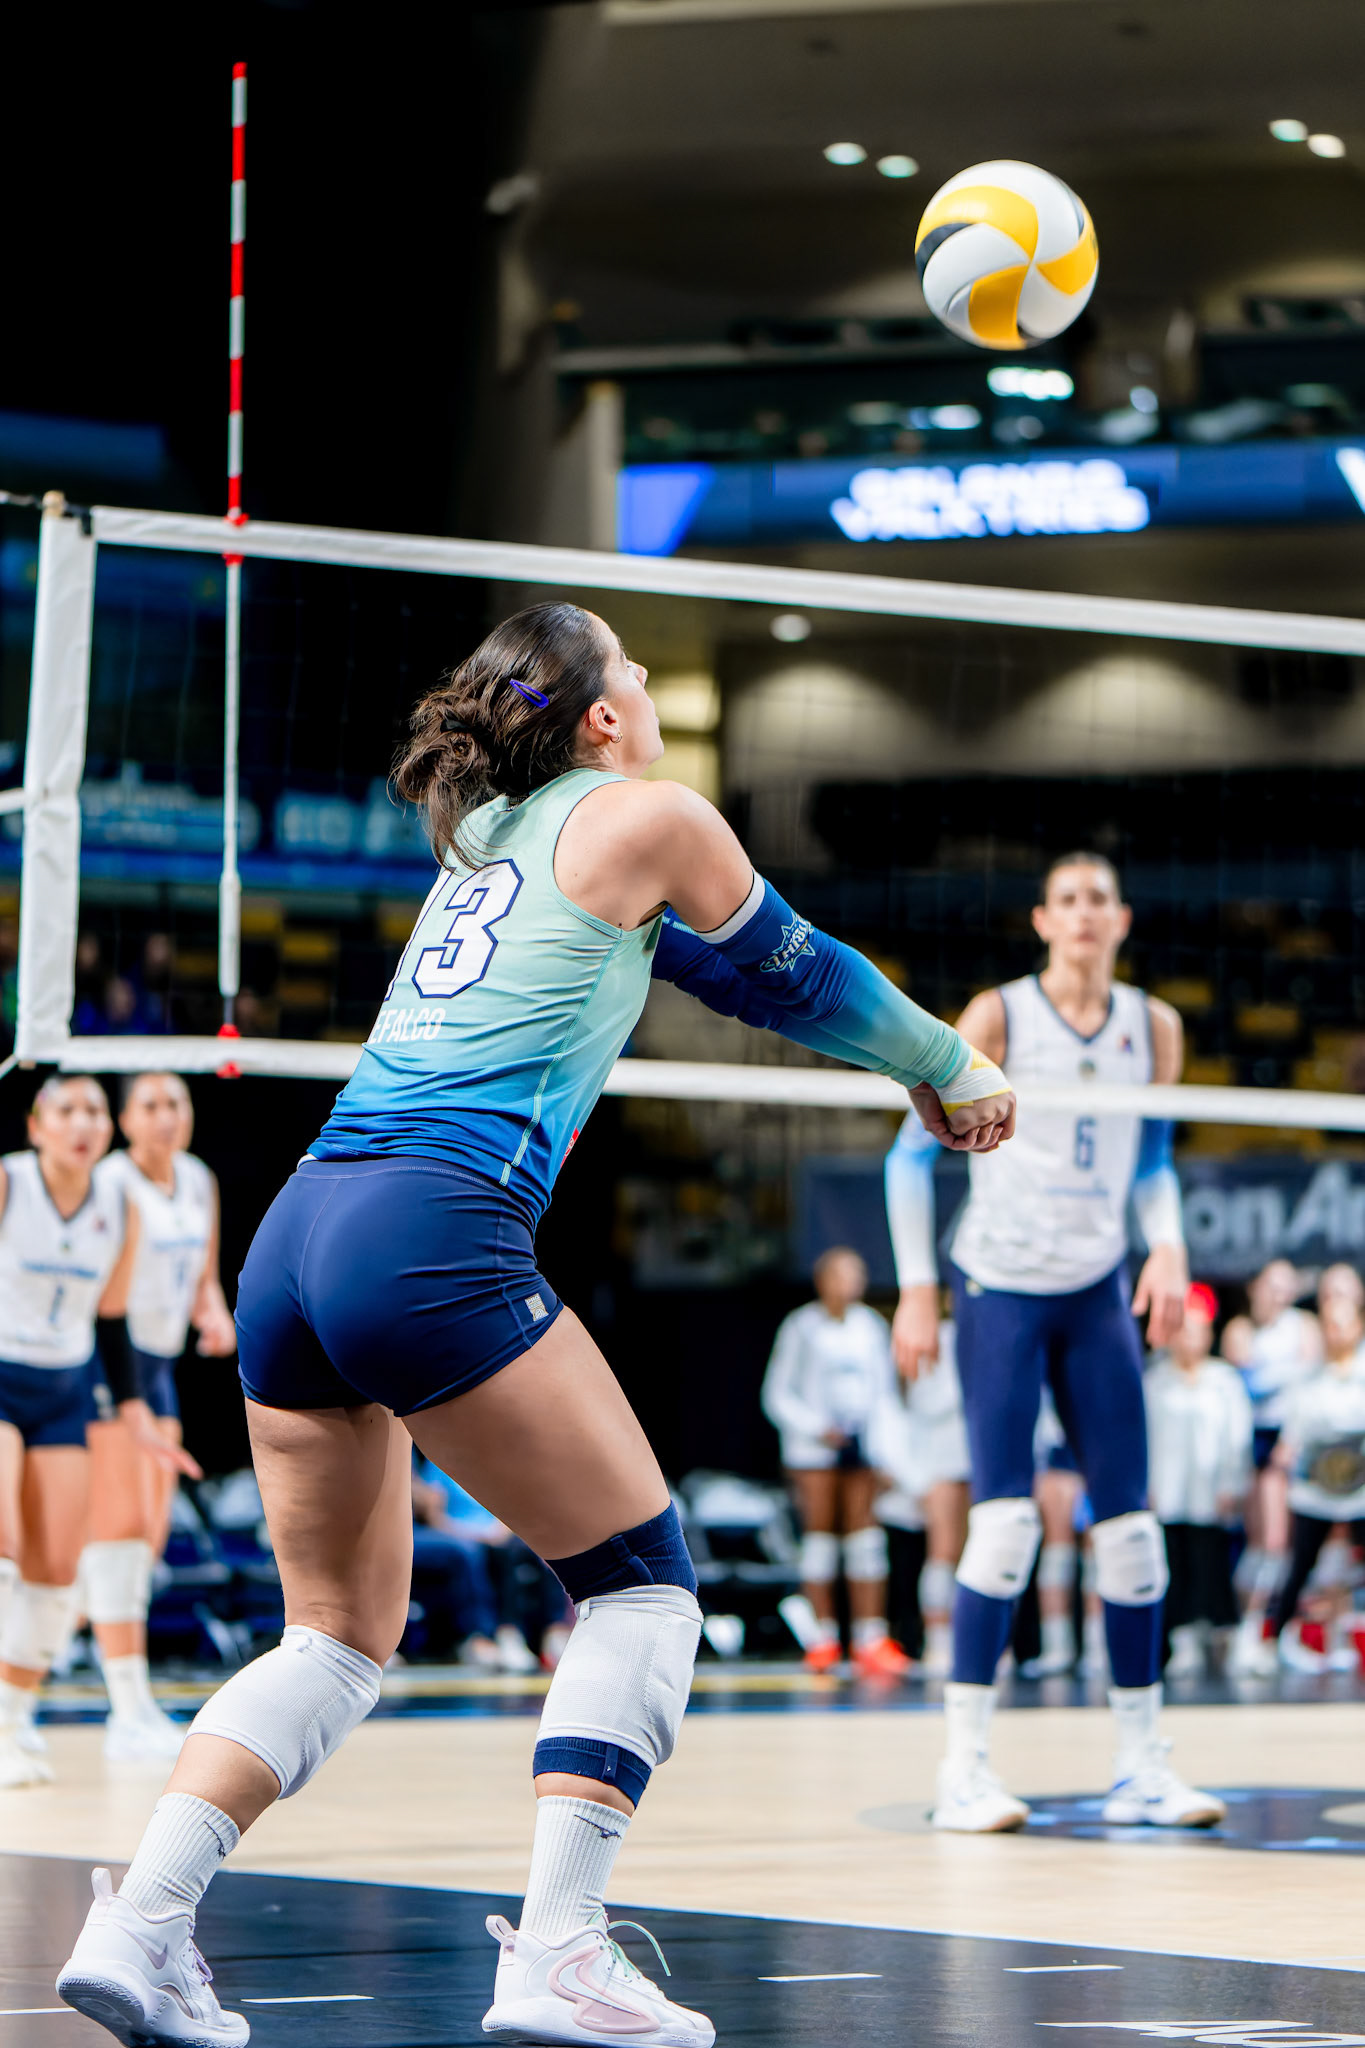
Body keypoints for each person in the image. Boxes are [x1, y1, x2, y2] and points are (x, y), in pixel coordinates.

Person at [58, 600, 1015, 2048]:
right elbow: (802, 969)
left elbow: (727, 979)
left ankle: (140, 1923)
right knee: (643, 1590)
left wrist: (902, 1072)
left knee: (332, 1637)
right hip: (432, 1230)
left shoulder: (488, 842)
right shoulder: (651, 813)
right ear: (603, 717)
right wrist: (950, 1062)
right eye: (631, 663)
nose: (647, 676)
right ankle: (561, 1946)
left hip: (301, 1233)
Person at [884, 851, 1225, 1832]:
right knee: (1004, 1524)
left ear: (1121, 919)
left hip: (1095, 1287)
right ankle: (962, 1769)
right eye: (1067, 899)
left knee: (1132, 1533)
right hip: (999, 1286)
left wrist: (1168, 1244)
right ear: (1042, 920)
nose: (1083, 913)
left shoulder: (1154, 1027)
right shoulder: (999, 1015)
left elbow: (1151, 1158)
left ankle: (1141, 1768)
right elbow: (908, 1159)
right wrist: (916, 1291)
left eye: (1098, 899)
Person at [0, 1077, 194, 1787]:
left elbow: (111, 1319)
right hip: (2, 1373)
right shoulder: (10, 1183)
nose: (81, 1124)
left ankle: (10, 1721)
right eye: (66, 1111)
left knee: (56, 1570)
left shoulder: (119, 1207)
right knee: (4, 1546)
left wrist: (137, 1414)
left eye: (92, 1111)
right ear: (36, 1126)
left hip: (64, 1387)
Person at [79, 1073, 234, 1760]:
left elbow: (205, 1276)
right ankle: (126, 1705)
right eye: (151, 1105)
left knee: (147, 1532)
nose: (166, 1116)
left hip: (161, 1363)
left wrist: (213, 1314)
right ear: (125, 1120)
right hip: (110, 1363)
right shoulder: (111, 1183)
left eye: (176, 1103)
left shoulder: (198, 1179)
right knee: (116, 1530)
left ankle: (131, 1698)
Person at [761, 1246, 906, 1676]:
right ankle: (822, 1638)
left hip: (862, 1449)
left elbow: (884, 1395)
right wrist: (817, 1427)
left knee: (866, 1542)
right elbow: (778, 1394)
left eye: (856, 1275)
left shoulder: (870, 1326)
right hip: (815, 1452)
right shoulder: (800, 1327)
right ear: (823, 1281)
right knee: (820, 1540)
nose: (850, 1284)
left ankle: (870, 1638)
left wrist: (888, 1453)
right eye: (841, 1275)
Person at [1246, 1288, 1365, 1674]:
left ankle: (1342, 1639)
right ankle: (1271, 1642)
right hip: (1315, 1491)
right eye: (1330, 1324)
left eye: (1344, 1323)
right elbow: (1293, 1436)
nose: (1337, 1332)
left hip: (1360, 1492)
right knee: (1298, 1567)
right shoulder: (1308, 1378)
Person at [1144, 1283, 1253, 1679]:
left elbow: (1237, 1436)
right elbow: (1145, 1437)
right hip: (1168, 1492)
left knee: (1212, 1564)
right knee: (1173, 1566)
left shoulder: (1224, 1381)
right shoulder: (1156, 1381)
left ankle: (1223, 1635)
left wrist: (1231, 1483)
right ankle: (1181, 1638)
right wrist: (1147, 1486)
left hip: (1210, 1493)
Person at [1222, 1258, 1320, 1668]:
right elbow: (1244, 1386)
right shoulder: (1240, 1330)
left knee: (1292, 1543)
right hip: (1253, 1441)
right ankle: (1248, 1630)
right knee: (1264, 1542)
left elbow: (1309, 1384)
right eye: (1272, 1285)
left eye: (1286, 1286)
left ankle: (1280, 1630)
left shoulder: (1304, 1327)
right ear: (1255, 1287)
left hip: (1295, 1439)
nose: (1279, 1294)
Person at [866, 1308, 969, 1676]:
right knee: (943, 1553)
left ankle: (975, 1641)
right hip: (939, 1459)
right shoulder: (926, 1342)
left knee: (971, 1555)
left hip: (967, 1453)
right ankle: (939, 1643)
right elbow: (923, 1400)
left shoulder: (967, 1333)